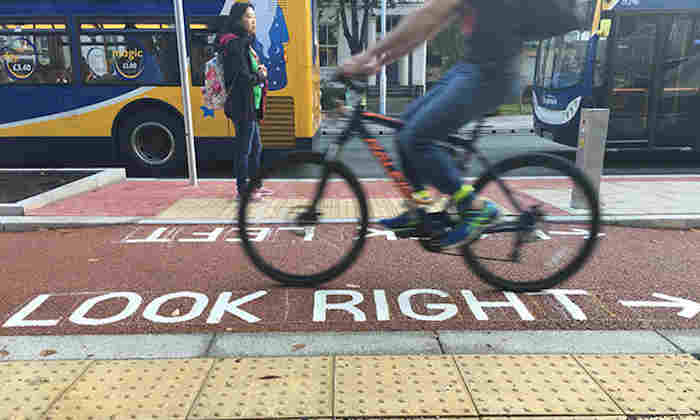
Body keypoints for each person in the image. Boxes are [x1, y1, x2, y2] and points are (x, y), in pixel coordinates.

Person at [339, 0, 522, 248]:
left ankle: (476, 207)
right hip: (470, 68)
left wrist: (367, 55)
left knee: (416, 138)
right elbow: (426, 27)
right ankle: (420, 209)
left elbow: (426, 14)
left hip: (491, 75)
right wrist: (380, 60)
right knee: (403, 127)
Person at [216, 3, 273, 201]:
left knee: (256, 147)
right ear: (239, 19)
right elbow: (241, 78)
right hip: (242, 105)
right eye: (249, 16)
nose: (253, 21)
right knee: (244, 149)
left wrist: (258, 73)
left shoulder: (244, 42)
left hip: (250, 104)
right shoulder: (235, 45)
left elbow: (247, 72)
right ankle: (243, 191)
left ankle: (255, 186)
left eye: (254, 16)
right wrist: (261, 76)